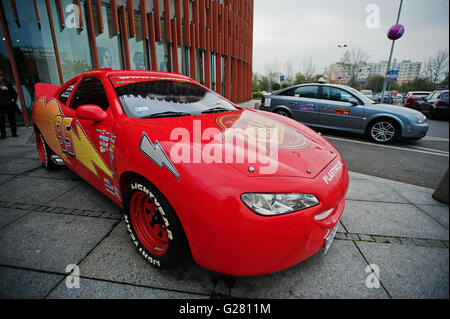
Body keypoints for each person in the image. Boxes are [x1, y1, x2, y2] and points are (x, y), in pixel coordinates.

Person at [0, 70, 18, 139]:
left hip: (9, 103)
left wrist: (13, 100)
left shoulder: (7, 82)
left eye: (1, 76)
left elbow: (13, 92)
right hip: (1, 104)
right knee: (1, 119)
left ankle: (14, 132)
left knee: (12, 118)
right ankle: (3, 134)